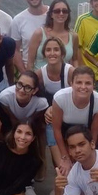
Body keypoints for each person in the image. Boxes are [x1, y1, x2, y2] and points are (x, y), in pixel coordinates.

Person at [0, 70, 49, 195]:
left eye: (28, 87)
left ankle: (28, 182)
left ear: (35, 90)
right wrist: (17, 134)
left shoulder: (41, 103)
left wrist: (26, 135)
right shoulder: (5, 96)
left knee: (31, 140)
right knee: (10, 140)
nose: (21, 89)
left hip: (31, 126)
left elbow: (34, 121)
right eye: (19, 84)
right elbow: (11, 120)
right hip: (12, 125)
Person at [50, 66, 98, 176]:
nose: (83, 87)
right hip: (62, 135)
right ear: (72, 83)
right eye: (79, 82)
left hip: (85, 136)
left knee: (87, 169)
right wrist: (65, 157)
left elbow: (93, 135)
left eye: (88, 83)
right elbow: (56, 129)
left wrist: (87, 156)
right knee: (65, 171)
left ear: (93, 85)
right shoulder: (60, 98)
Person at [37, 37, 75, 173]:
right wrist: (46, 108)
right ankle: (60, 174)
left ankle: (73, 176)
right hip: (52, 117)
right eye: (48, 50)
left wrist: (55, 107)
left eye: (56, 49)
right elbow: (34, 93)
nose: (52, 53)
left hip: (72, 113)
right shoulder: (41, 73)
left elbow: (80, 95)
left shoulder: (70, 72)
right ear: (44, 53)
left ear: (62, 53)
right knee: (53, 140)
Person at [27, 0, 80, 70]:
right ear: (51, 14)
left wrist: (76, 76)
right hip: (40, 78)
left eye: (64, 11)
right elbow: (30, 63)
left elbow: (75, 60)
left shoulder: (73, 36)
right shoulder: (39, 34)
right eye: (57, 11)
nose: (61, 13)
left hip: (64, 79)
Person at [11, 0, 50, 73]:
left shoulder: (54, 14)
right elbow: (15, 50)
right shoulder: (18, 20)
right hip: (30, 71)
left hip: (53, 71)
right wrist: (24, 73)